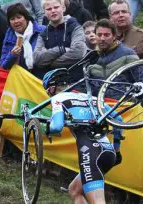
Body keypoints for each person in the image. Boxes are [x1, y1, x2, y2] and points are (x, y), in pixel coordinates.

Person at [40, 68, 123, 204]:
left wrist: (48, 129)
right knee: (74, 190)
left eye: (47, 91)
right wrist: (117, 148)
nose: (48, 94)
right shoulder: (90, 97)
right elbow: (118, 120)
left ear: (53, 88)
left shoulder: (58, 98)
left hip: (90, 152)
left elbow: (57, 126)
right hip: (108, 152)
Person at [33, 0, 87, 79]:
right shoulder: (43, 34)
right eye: (49, 9)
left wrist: (50, 61)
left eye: (56, 7)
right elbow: (37, 59)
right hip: (52, 83)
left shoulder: (75, 27)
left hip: (76, 81)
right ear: (45, 12)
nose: (53, 11)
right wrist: (61, 50)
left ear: (63, 8)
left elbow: (78, 52)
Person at [86, 19, 142, 92]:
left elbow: (141, 81)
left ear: (114, 36)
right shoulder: (91, 57)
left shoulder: (128, 55)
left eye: (106, 35)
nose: (102, 38)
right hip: (96, 100)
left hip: (122, 101)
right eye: (99, 35)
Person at [0, 2, 46, 71]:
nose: (16, 21)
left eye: (19, 17)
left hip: (44, 75)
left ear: (26, 18)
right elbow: (3, 65)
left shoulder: (42, 30)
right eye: (12, 19)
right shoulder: (8, 38)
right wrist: (12, 55)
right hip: (23, 78)